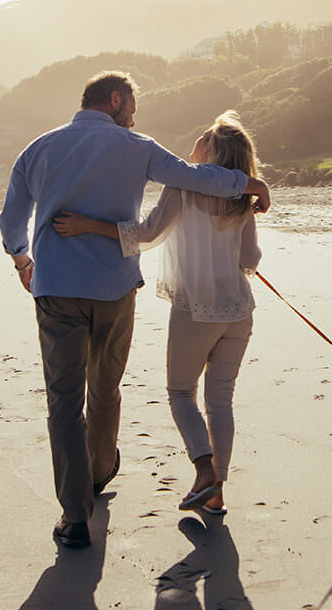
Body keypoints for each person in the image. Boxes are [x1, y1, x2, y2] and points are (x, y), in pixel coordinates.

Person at [0, 73, 271, 550]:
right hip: (116, 289)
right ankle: (104, 470)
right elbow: (196, 179)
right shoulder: (138, 146)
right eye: (134, 107)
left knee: (64, 401)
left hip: (57, 287)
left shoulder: (37, 149)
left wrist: (23, 259)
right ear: (117, 100)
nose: (135, 116)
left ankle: (74, 514)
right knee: (106, 389)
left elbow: (11, 221)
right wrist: (248, 183)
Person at [53, 112, 261, 518]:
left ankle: (204, 471)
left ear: (211, 150)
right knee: (222, 402)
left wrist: (86, 225)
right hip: (238, 312)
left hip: (195, 311)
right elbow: (250, 260)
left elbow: (145, 234)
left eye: (202, 137)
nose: (195, 142)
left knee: (182, 393)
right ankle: (216, 491)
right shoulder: (243, 199)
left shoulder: (183, 187)